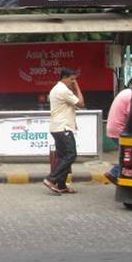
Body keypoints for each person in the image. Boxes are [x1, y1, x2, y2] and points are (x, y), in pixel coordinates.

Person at [44, 67, 85, 195]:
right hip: (63, 128)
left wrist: (72, 85)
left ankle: (61, 185)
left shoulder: (56, 89)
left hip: (57, 128)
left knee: (62, 156)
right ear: (64, 77)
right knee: (71, 154)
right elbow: (81, 103)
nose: (73, 82)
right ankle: (51, 179)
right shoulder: (63, 90)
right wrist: (77, 86)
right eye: (72, 79)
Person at [104, 77, 132, 184]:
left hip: (113, 128)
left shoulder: (125, 92)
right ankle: (114, 173)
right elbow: (131, 114)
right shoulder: (131, 96)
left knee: (124, 155)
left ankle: (117, 174)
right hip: (119, 130)